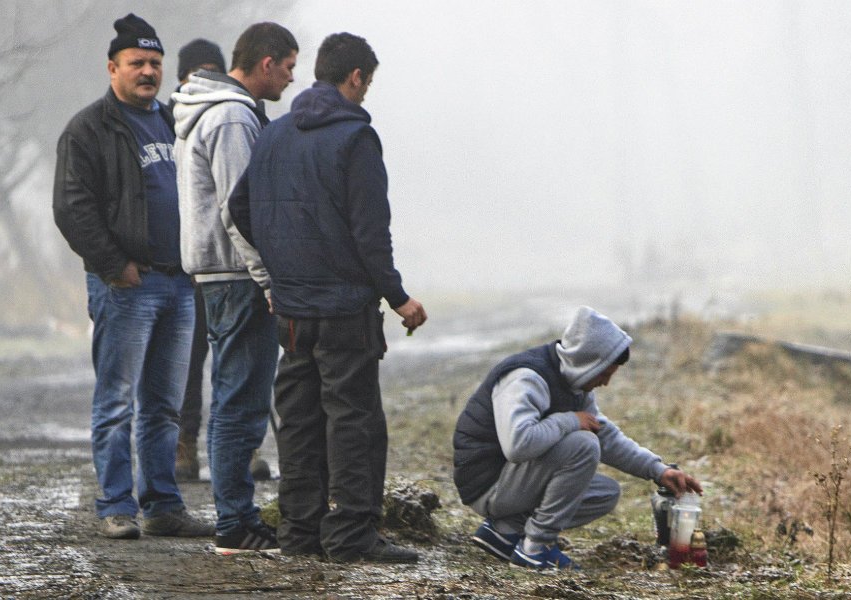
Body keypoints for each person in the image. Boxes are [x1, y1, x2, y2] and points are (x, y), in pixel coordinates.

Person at [228, 32, 428, 563]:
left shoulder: (274, 133)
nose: (366, 92)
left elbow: (239, 209)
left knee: (299, 422)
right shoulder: (355, 138)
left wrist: (283, 267)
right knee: (354, 422)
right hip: (345, 311)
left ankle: (300, 532)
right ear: (356, 77)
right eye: (367, 82)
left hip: (292, 311)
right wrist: (399, 298)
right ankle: (351, 535)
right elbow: (370, 233)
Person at [52, 13, 214, 540]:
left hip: (179, 283)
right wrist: (114, 265)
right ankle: (116, 505)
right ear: (112, 68)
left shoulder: (172, 121)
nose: (148, 72)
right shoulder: (88, 128)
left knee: (165, 406)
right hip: (127, 286)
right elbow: (72, 207)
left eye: (155, 63)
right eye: (137, 62)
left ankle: (163, 505)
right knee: (117, 401)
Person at [172, 22, 298, 554]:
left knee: (234, 398)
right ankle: (234, 523)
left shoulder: (210, 110)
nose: (291, 79)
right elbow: (242, 208)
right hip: (238, 277)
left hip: (219, 274)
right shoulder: (230, 117)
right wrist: (268, 279)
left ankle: (237, 517)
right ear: (266, 63)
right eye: (288, 67)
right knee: (240, 404)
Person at [453, 306, 702, 570]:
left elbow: (604, 435)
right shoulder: (526, 377)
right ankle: (535, 548)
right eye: (604, 374)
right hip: (487, 484)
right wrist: (569, 421)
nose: (605, 383)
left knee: (604, 493)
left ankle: (505, 531)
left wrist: (658, 470)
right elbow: (518, 444)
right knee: (583, 444)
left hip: (511, 481)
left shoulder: (574, 383)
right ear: (587, 362)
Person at [171, 37, 227, 483]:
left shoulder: (236, 116)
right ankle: (184, 441)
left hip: (224, 261)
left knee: (232, 359)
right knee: (188, 362)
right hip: (181, 265)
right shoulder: (164, 123)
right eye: (196, 72)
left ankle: (237, 447)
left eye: (212, 70)